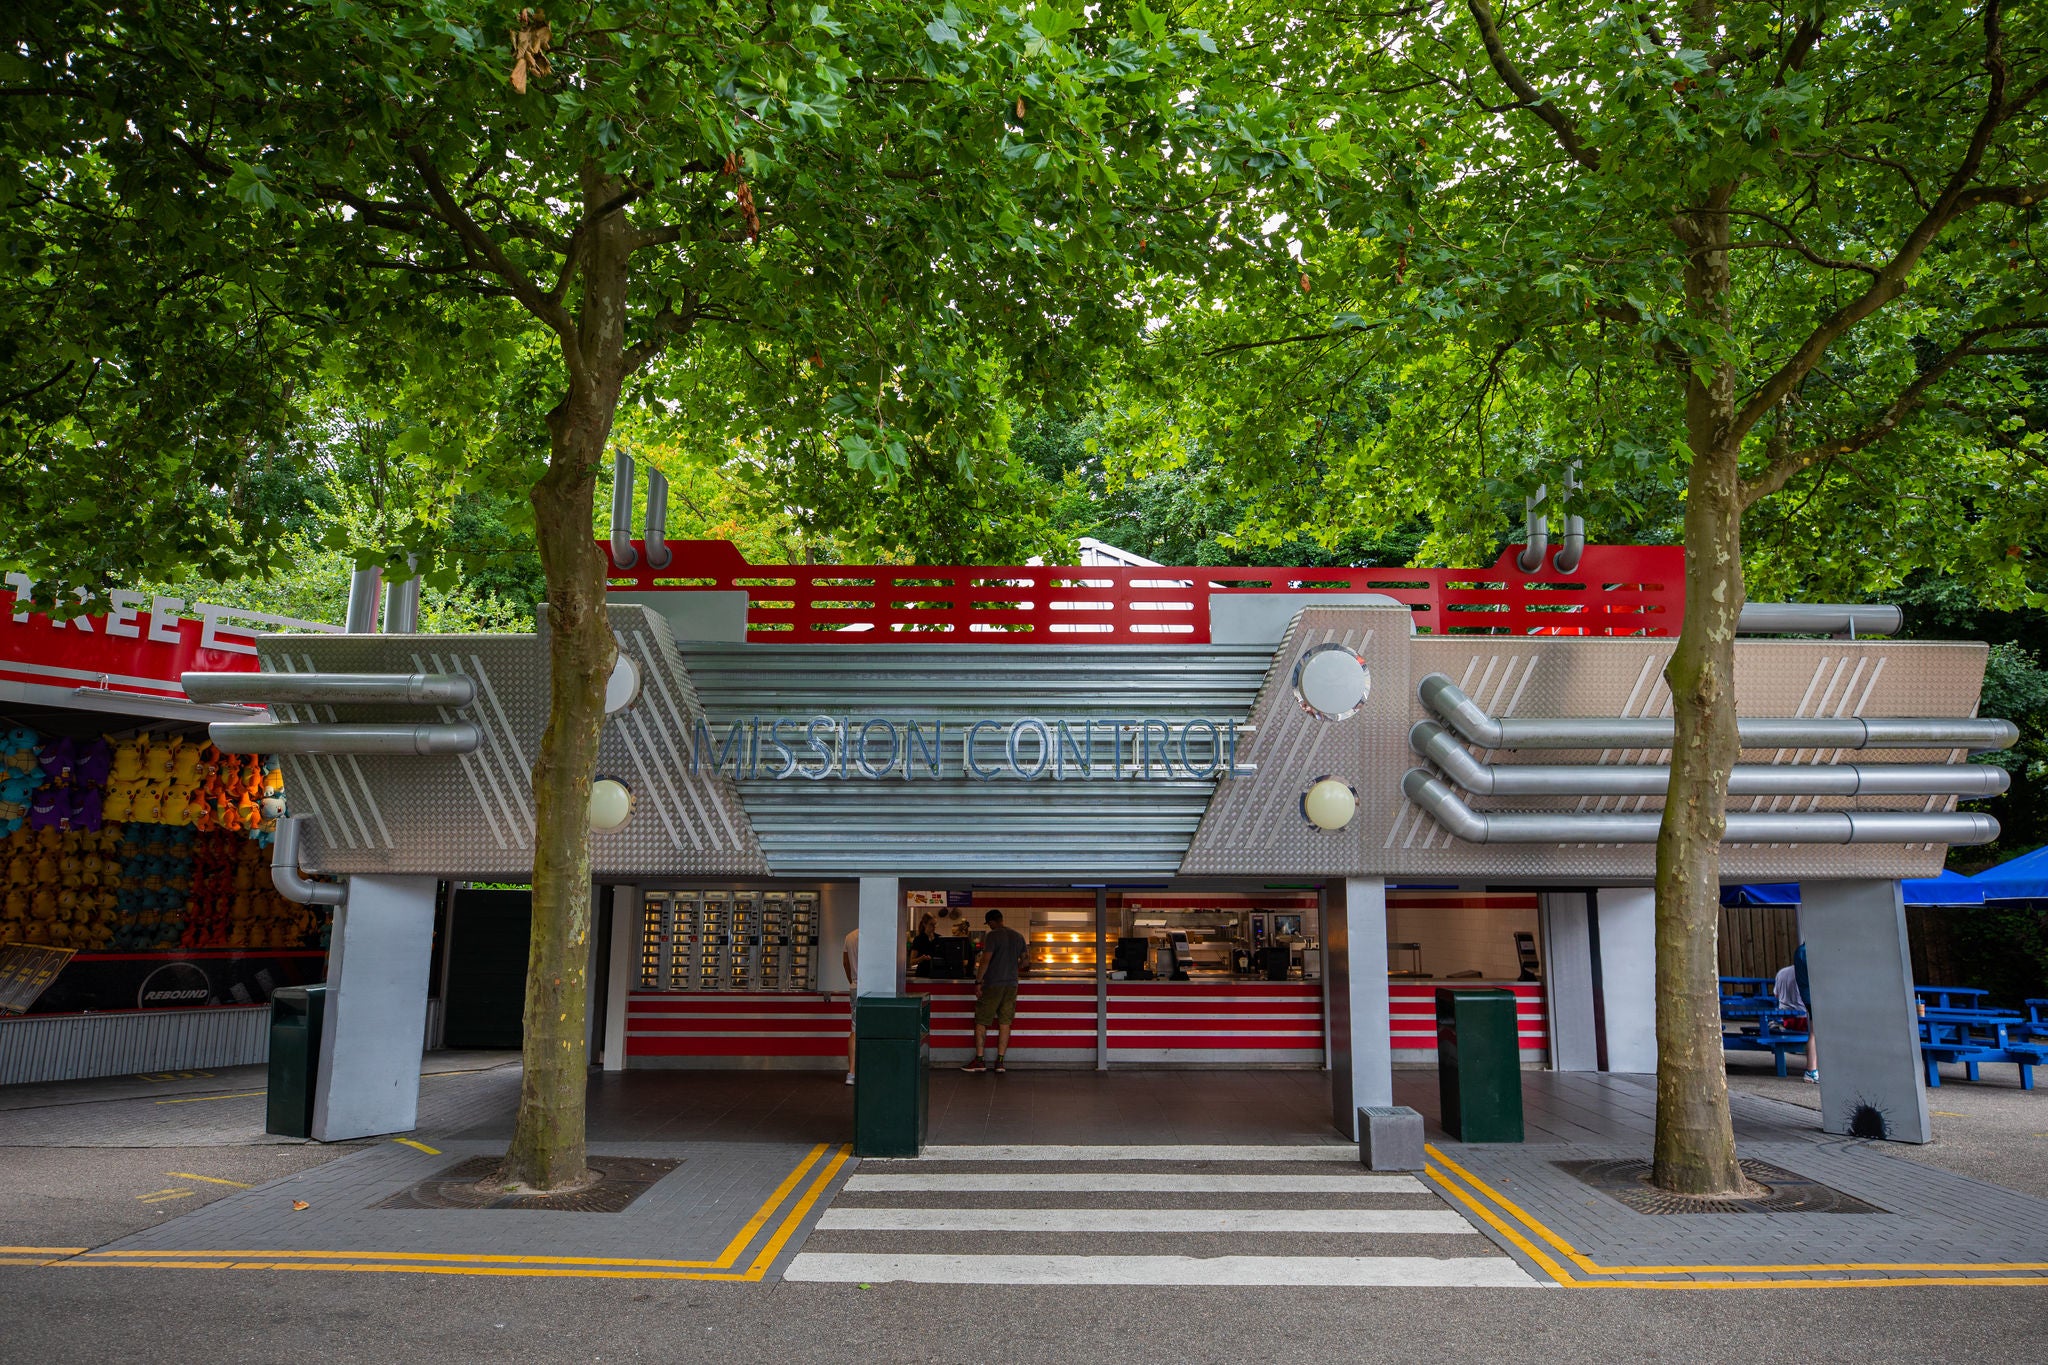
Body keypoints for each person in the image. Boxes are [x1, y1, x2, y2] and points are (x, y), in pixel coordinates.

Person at [962, 908, 1028, 1074]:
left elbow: (985, 960)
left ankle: (979, 1060)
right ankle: (1000, 1062)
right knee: (1005, 1022)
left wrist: (978, 982)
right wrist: (1011, 967)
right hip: (1011, 985)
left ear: (992, 921)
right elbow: (1026, 962)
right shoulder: (1018, 936)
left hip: (993, 985)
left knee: (982, 1021)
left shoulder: (992, 936)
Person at [1789, 943, 1819, 1083]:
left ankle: (1812, 1070)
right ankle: (1811, 1070)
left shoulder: (1800, 951)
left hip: (1807, 995)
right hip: (1815, 996)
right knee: (1815, 1033)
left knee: (1815, 1033)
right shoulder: (1809, 951)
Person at [842, 926, 859, 1086]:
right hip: (872, 989)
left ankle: (851, 1073)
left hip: (855, 986)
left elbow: (845, 962)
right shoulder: (875, 937)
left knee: (855, 1029)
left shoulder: (850, 936)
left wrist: (852, 981)